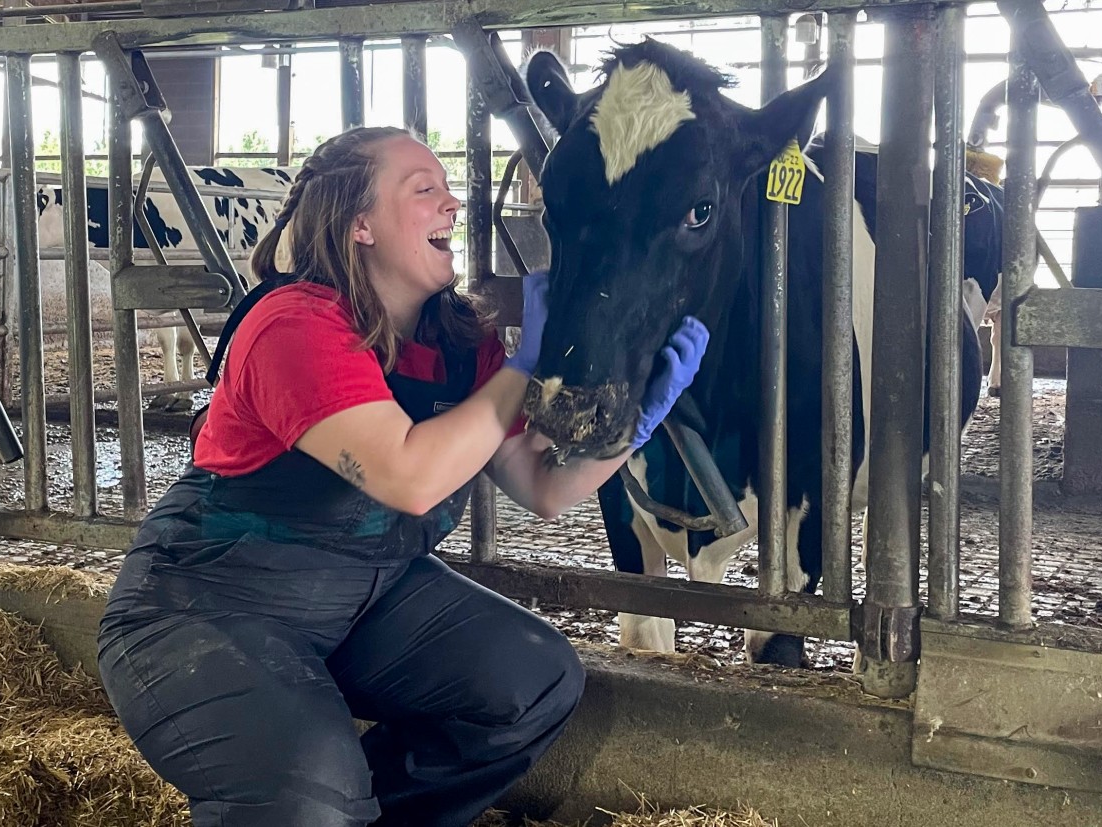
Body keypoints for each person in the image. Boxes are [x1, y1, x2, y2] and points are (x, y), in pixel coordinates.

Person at [97, 126, 710, 827]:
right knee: (311, 784)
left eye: (447, 188)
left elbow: (543, 487)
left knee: (531, 681)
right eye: (425, 190)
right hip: (201, 607)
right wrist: (522, 366)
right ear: (360, 223)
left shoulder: (456, 346)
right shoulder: (293, 325)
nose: (452, 204)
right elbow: (409, 476)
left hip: (362, 600)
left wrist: (640, 417)